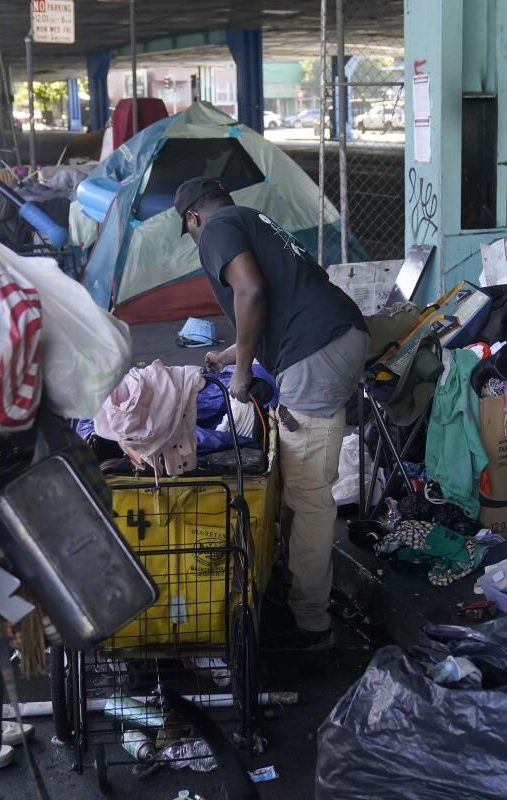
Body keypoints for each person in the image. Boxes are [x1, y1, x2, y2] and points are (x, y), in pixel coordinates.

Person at [175, 177, 368, 650]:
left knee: (308, 494)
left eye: (191, 231)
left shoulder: (217, 228)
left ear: (194, 219)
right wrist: (231, 353)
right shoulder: (253, 220)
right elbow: (282, 303)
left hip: (317, 351)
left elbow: (253, 293)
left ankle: (312, 624)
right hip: (333, 336)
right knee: (296, 482)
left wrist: (242, 371)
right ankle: (295, 593)